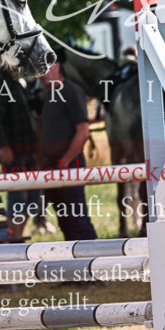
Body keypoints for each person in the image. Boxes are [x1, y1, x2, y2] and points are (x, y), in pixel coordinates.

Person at [39, 57, 98, 241]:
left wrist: (64, 162)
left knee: (77, 218)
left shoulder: (71, 91)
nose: (41, 75)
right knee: (65, 220)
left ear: (57, 66)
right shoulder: (49, 93)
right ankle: (75, 263)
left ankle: (96, 260)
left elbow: (83, 132)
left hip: (68, 164)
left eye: (45, 69)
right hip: (54, 164)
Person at [0, 65, 44, 242]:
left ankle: (17, 234)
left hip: (28, 148)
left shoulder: (17, 82)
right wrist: (3, 146)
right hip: (13, 149)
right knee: (18, 195)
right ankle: (14, 236)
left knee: (34, 196)